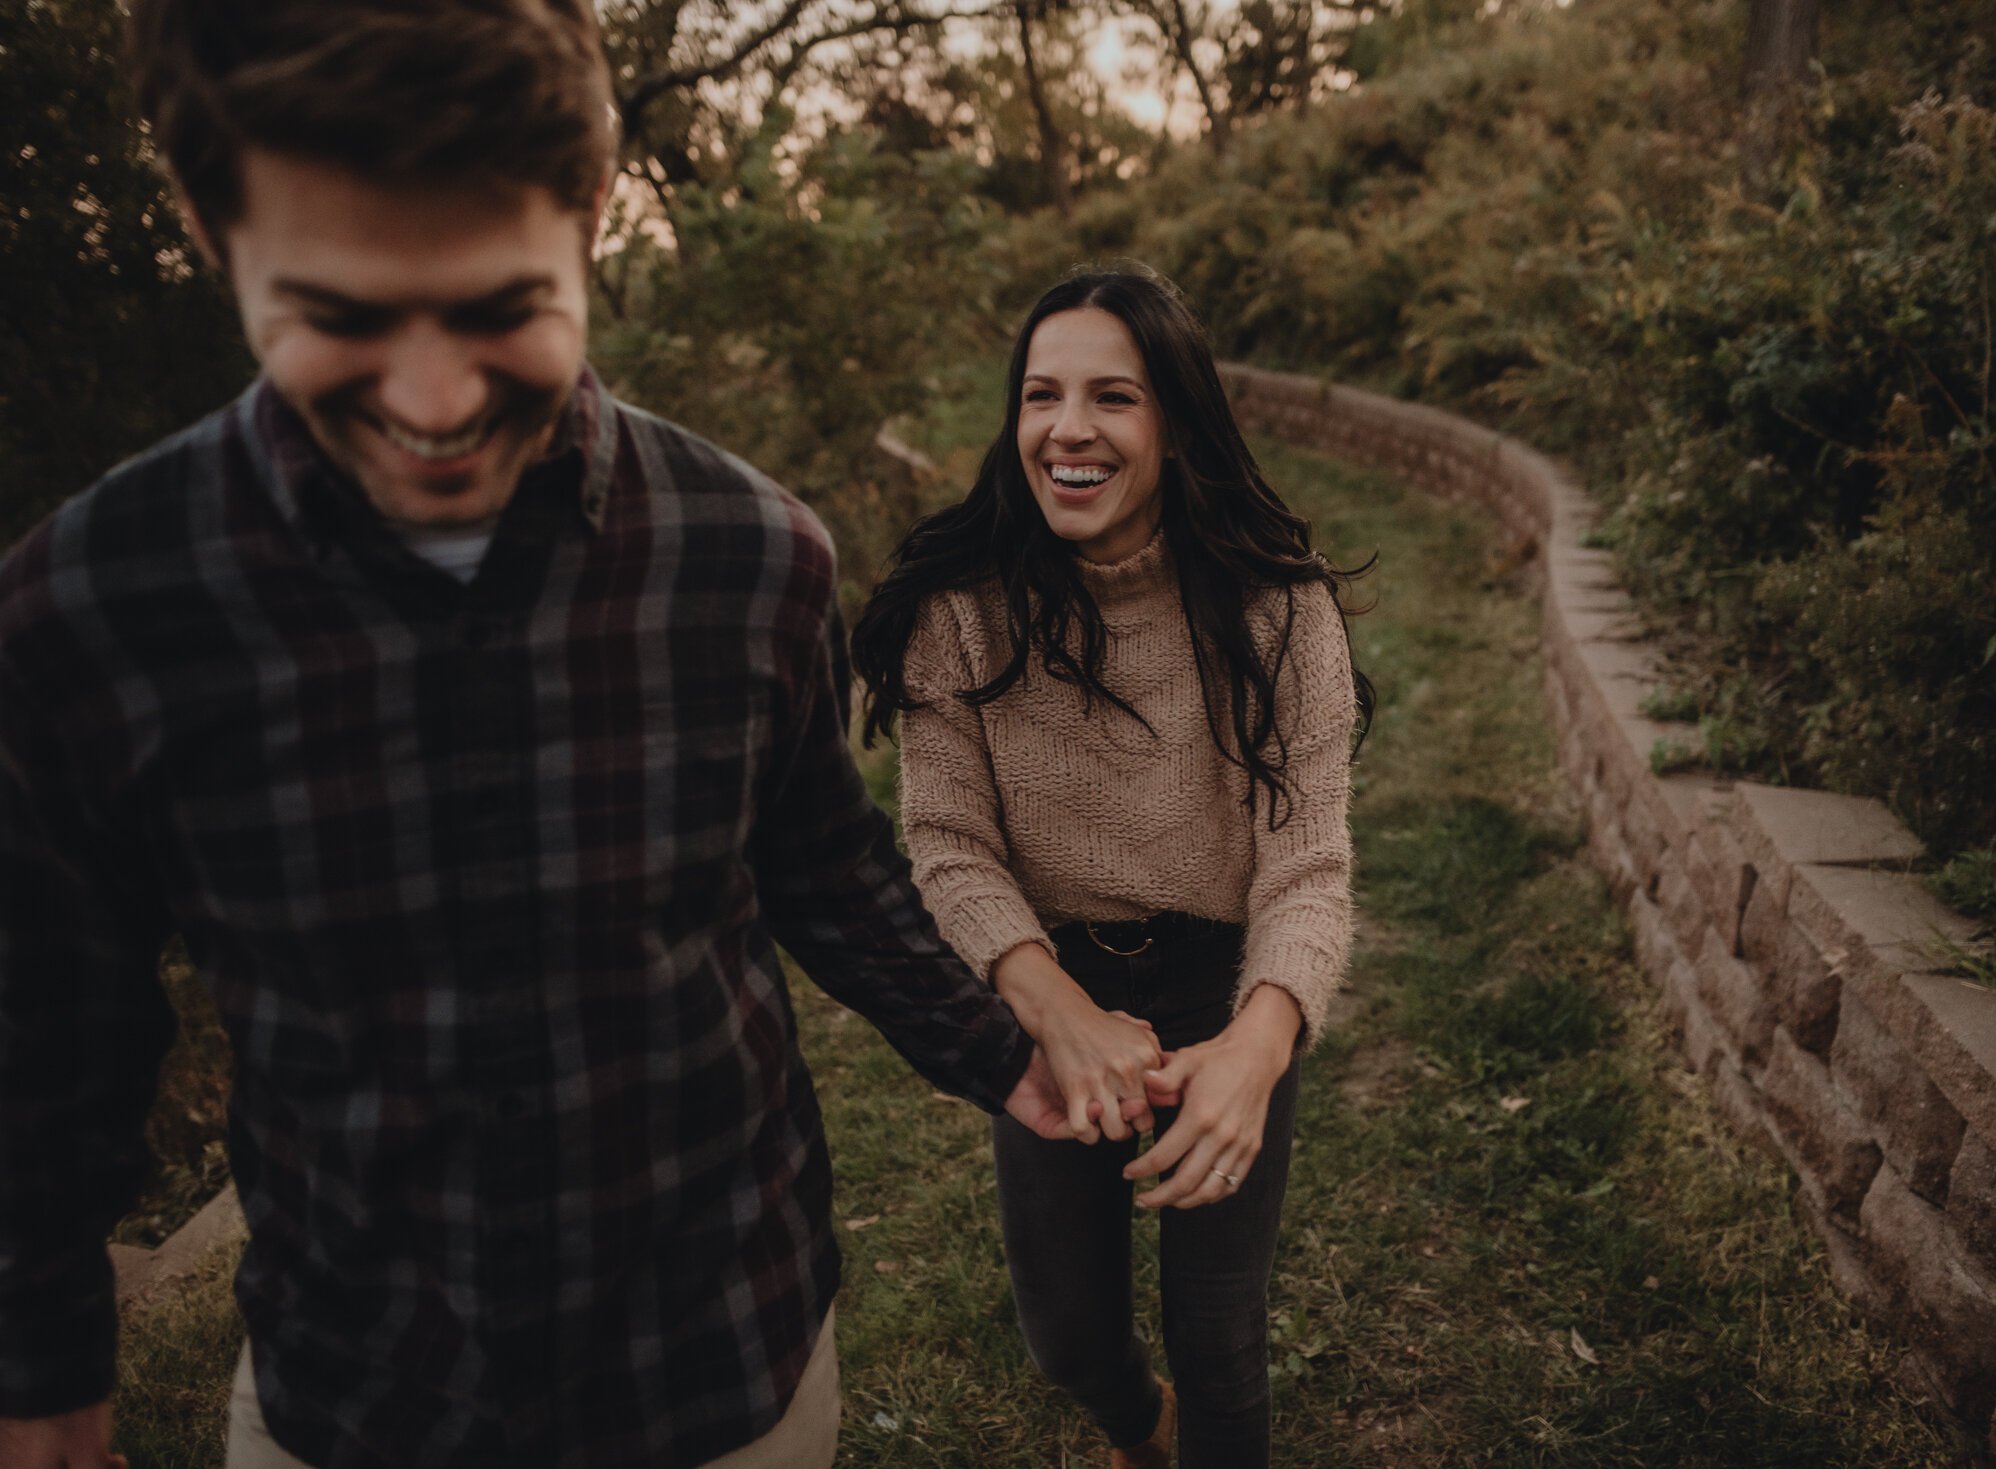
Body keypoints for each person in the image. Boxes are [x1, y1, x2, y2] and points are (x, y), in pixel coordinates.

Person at [0, 4, 1078, 1467]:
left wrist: (1004, 1047)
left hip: (726, 1363)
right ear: (210, 227)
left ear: (589, 210)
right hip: (358, 1394)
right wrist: (45, 1381)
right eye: (341, 316)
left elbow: (820, 861)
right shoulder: (86, 611)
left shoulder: (758, 556)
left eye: (502, 308)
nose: (434, 407)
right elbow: (50, 1052)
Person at [850, 269, 1373, 1469]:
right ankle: (1140, 1431)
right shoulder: (956, 609)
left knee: (1222, 1335)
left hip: (1221, 989)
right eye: (1041, 394)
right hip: (1049, 992)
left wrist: (1261, 1040)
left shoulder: (1279, 611)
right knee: (1069, 1333)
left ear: (1175, 424)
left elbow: (1307, 863)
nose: (1067, 428)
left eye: (1112, 397)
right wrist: (1059, 1010)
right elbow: (949, 843)